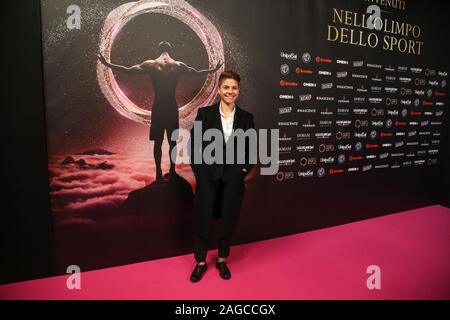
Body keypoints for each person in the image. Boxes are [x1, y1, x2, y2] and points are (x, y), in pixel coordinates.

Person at [98, 41, 222, 181]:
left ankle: (158, 172)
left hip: (158, 106)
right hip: (171, 106)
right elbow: (198, 73)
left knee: (158, 141)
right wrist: (214, 70)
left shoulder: (150, 64)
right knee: (172, 141)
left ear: (159, 49)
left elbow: (128, 70)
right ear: (170, 50)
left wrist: (107, 64)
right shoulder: (178, 65)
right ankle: (172, 171)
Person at [188, 70, 255, 282]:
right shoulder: (204, 114)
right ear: (219, 89)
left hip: (233, 178)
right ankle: (200, 261)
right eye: (226, 87)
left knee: (229, 217)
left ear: (238, 91)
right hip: (208, 177)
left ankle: (222, 259)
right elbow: (194, 145)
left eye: (234, 88)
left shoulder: (246, 118)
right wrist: (199, 171)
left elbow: (251, 149)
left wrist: (243, 171)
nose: (230, 91)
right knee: (203, 217)